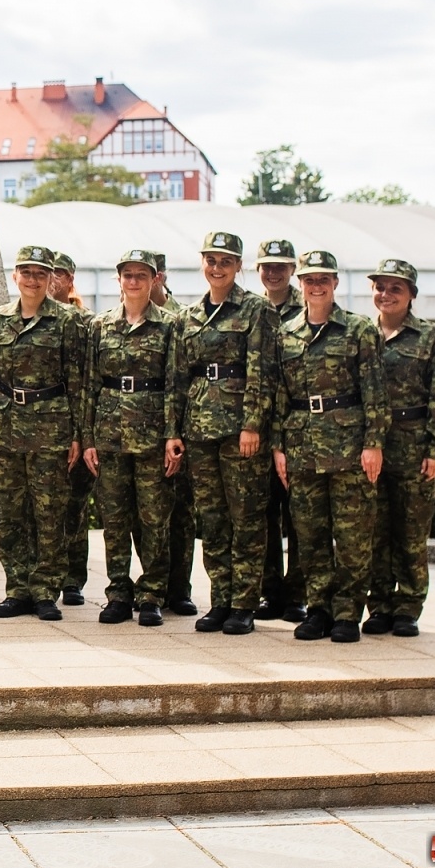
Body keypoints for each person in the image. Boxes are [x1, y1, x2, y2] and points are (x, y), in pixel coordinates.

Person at [273, 250, 390, 643]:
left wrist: (373, 444)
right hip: (303, 447)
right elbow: (279, 396)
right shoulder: (287, 332)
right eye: (309, 279)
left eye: (323, 278)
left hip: (349, 447)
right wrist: (279, 447)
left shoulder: (358, 331)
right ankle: (318, 608)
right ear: (300, 284)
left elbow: (375, 392)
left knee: (353, 535)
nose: (316, 285)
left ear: (335, 283)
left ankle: (346, 612)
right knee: (310, 535)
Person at [173, 231, 281, 636]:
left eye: (225, 261)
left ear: (238, 267)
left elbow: (262, 371)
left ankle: (243, 604)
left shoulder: (256, 310)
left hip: (240, 431)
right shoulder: (190, 315)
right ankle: (220, 599)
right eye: (211, 260)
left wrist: (253, 423)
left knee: (247, 518)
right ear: (203, 263)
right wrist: (176, 429)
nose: (216, 267)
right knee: (213, 520)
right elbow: (179, 376)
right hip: (201, 430)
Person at [0, 245, 83, 621]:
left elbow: (78, 382)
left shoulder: (68, 322)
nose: (33, 280)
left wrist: (77, 435)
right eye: (26, 272)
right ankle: (17, 588)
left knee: (50, 513)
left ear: (51, 278)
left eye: (40, 273)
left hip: (51, 428)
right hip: (5, 430)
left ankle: (45, 590)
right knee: (11, 513)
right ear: (15, 276)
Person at [82, 250, 183, 627]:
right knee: (114, 518)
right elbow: (90, 385)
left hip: (153, 434)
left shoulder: (170, 326)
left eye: (142, 275)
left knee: (155, 518)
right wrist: (88, 437)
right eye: (128, 274)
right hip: (109, 435)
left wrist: (173, 435)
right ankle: (118, 592)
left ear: (155, 279)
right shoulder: (101, 326)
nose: (135, 281)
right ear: (119, 279)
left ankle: (152, 593)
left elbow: (175, 384)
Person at [364, 258, 435, 638]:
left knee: (411, 532)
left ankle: (408, 606)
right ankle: (380, 605)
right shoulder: (361, 334)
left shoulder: (433, 338)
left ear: (411, 296)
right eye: (380, 287)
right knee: (374, 530)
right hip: (372, 446)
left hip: (414, 444)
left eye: (395, 289)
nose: (386, 295)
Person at [254, 239, 307, 623]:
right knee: (263, 513)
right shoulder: (251, 311)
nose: (273, 273)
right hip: (256, 425)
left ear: (293, 270)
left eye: (281, 267)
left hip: (297, 427)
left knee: (300, 515)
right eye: (267, 267)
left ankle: (298, 593)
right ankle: (270, 591)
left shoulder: (309, 311)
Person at [147, 250, 197, 616]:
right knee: (142, 516)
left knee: (180, 513)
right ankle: (150, 586)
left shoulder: (183, 319)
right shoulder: (114, 321)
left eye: (149, 274)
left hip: (178, 432)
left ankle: (179, 589)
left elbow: (185, 379)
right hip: (137, 433)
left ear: (160, 278)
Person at [47, 250, 92, 607]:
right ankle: (41, 575)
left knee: (74, 508)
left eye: (58, 273)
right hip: (38, 430)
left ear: (70, 281)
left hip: (76, 428)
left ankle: (72, 579)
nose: (51, 280)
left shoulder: (87, 323)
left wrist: (84, 433)